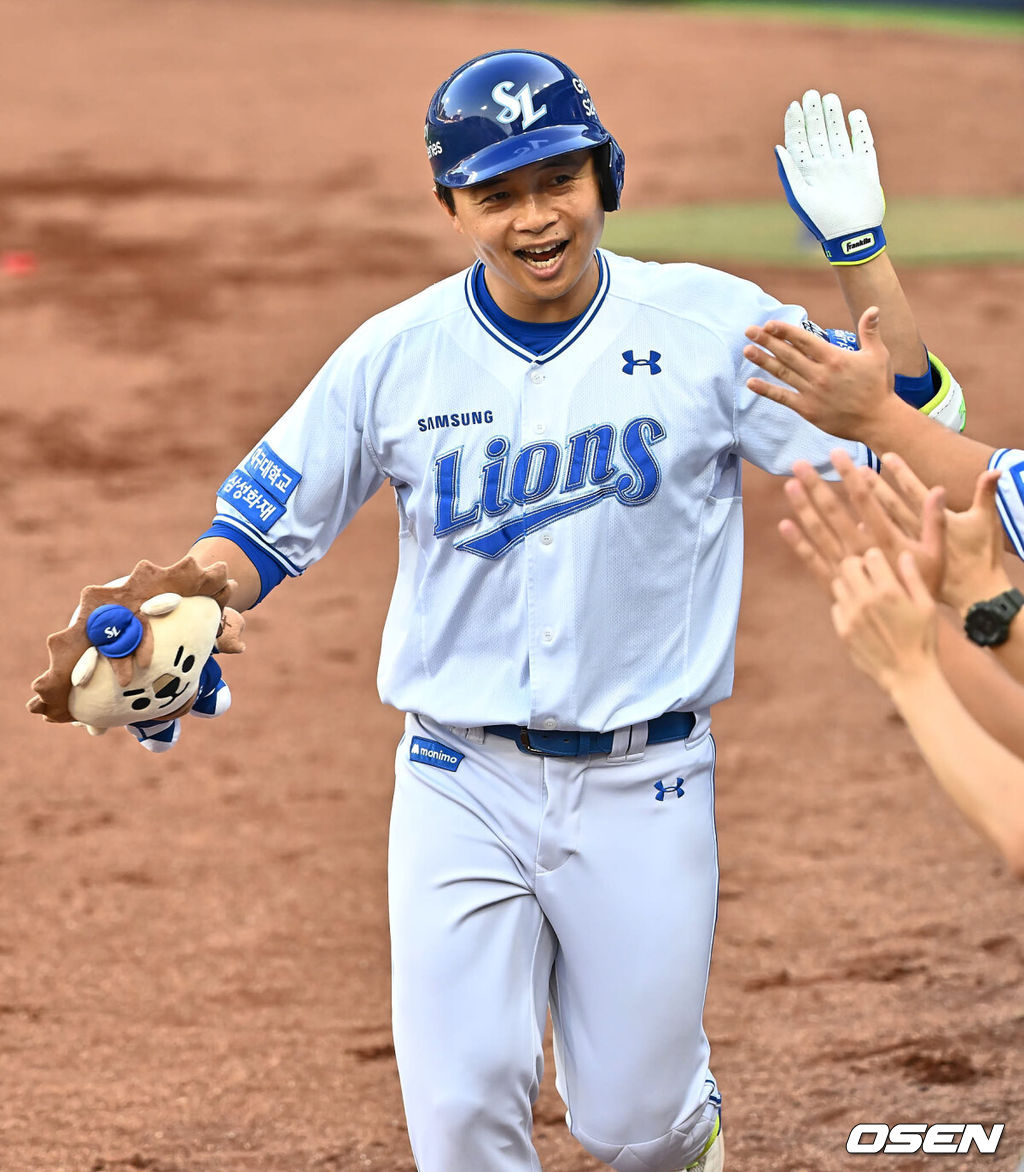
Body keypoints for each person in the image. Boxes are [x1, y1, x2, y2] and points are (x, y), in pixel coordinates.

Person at [39, 52, 965, 1172]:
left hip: (646, 783)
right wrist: (190, 603)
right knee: (463, 1114)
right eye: (497, 193)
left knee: (636, 1126)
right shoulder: (394, 354)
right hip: (458, 781)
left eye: (556, 180)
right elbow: (254, 530)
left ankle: (685, 1121)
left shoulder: (712, 325)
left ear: (603, 177)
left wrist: (861, 257)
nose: (535, 217)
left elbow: (906, 432)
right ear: (453, 206)